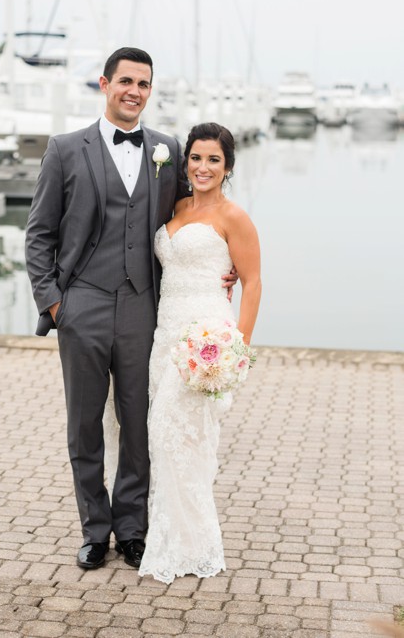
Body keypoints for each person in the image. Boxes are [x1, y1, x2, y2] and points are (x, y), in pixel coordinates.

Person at [25, 47, 234, 571]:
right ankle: (95, 530)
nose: (134, 91)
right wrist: (53, 302)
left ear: (149, 90)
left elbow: (196, 212)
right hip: (82, 304)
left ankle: (133, 528)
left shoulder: (166, 149)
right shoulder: (66, 149)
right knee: (85, 424)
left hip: (145, 307)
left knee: (139, 420)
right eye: (125, 81)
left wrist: (222, 264)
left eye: (143, 83)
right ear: (105, 84)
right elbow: (39, 233)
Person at [138, 122, 261, 583]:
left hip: (206, 338)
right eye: (196, 157)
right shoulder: (175, 206)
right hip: (164, 334)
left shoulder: (234, 217)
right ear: (185, 161)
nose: (203, 167)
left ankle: (194, 547)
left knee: (177, 432)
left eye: (214, 159)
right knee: (164, 437)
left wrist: (235, 351)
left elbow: (253, 284)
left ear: (227, 165)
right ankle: (170, 538)